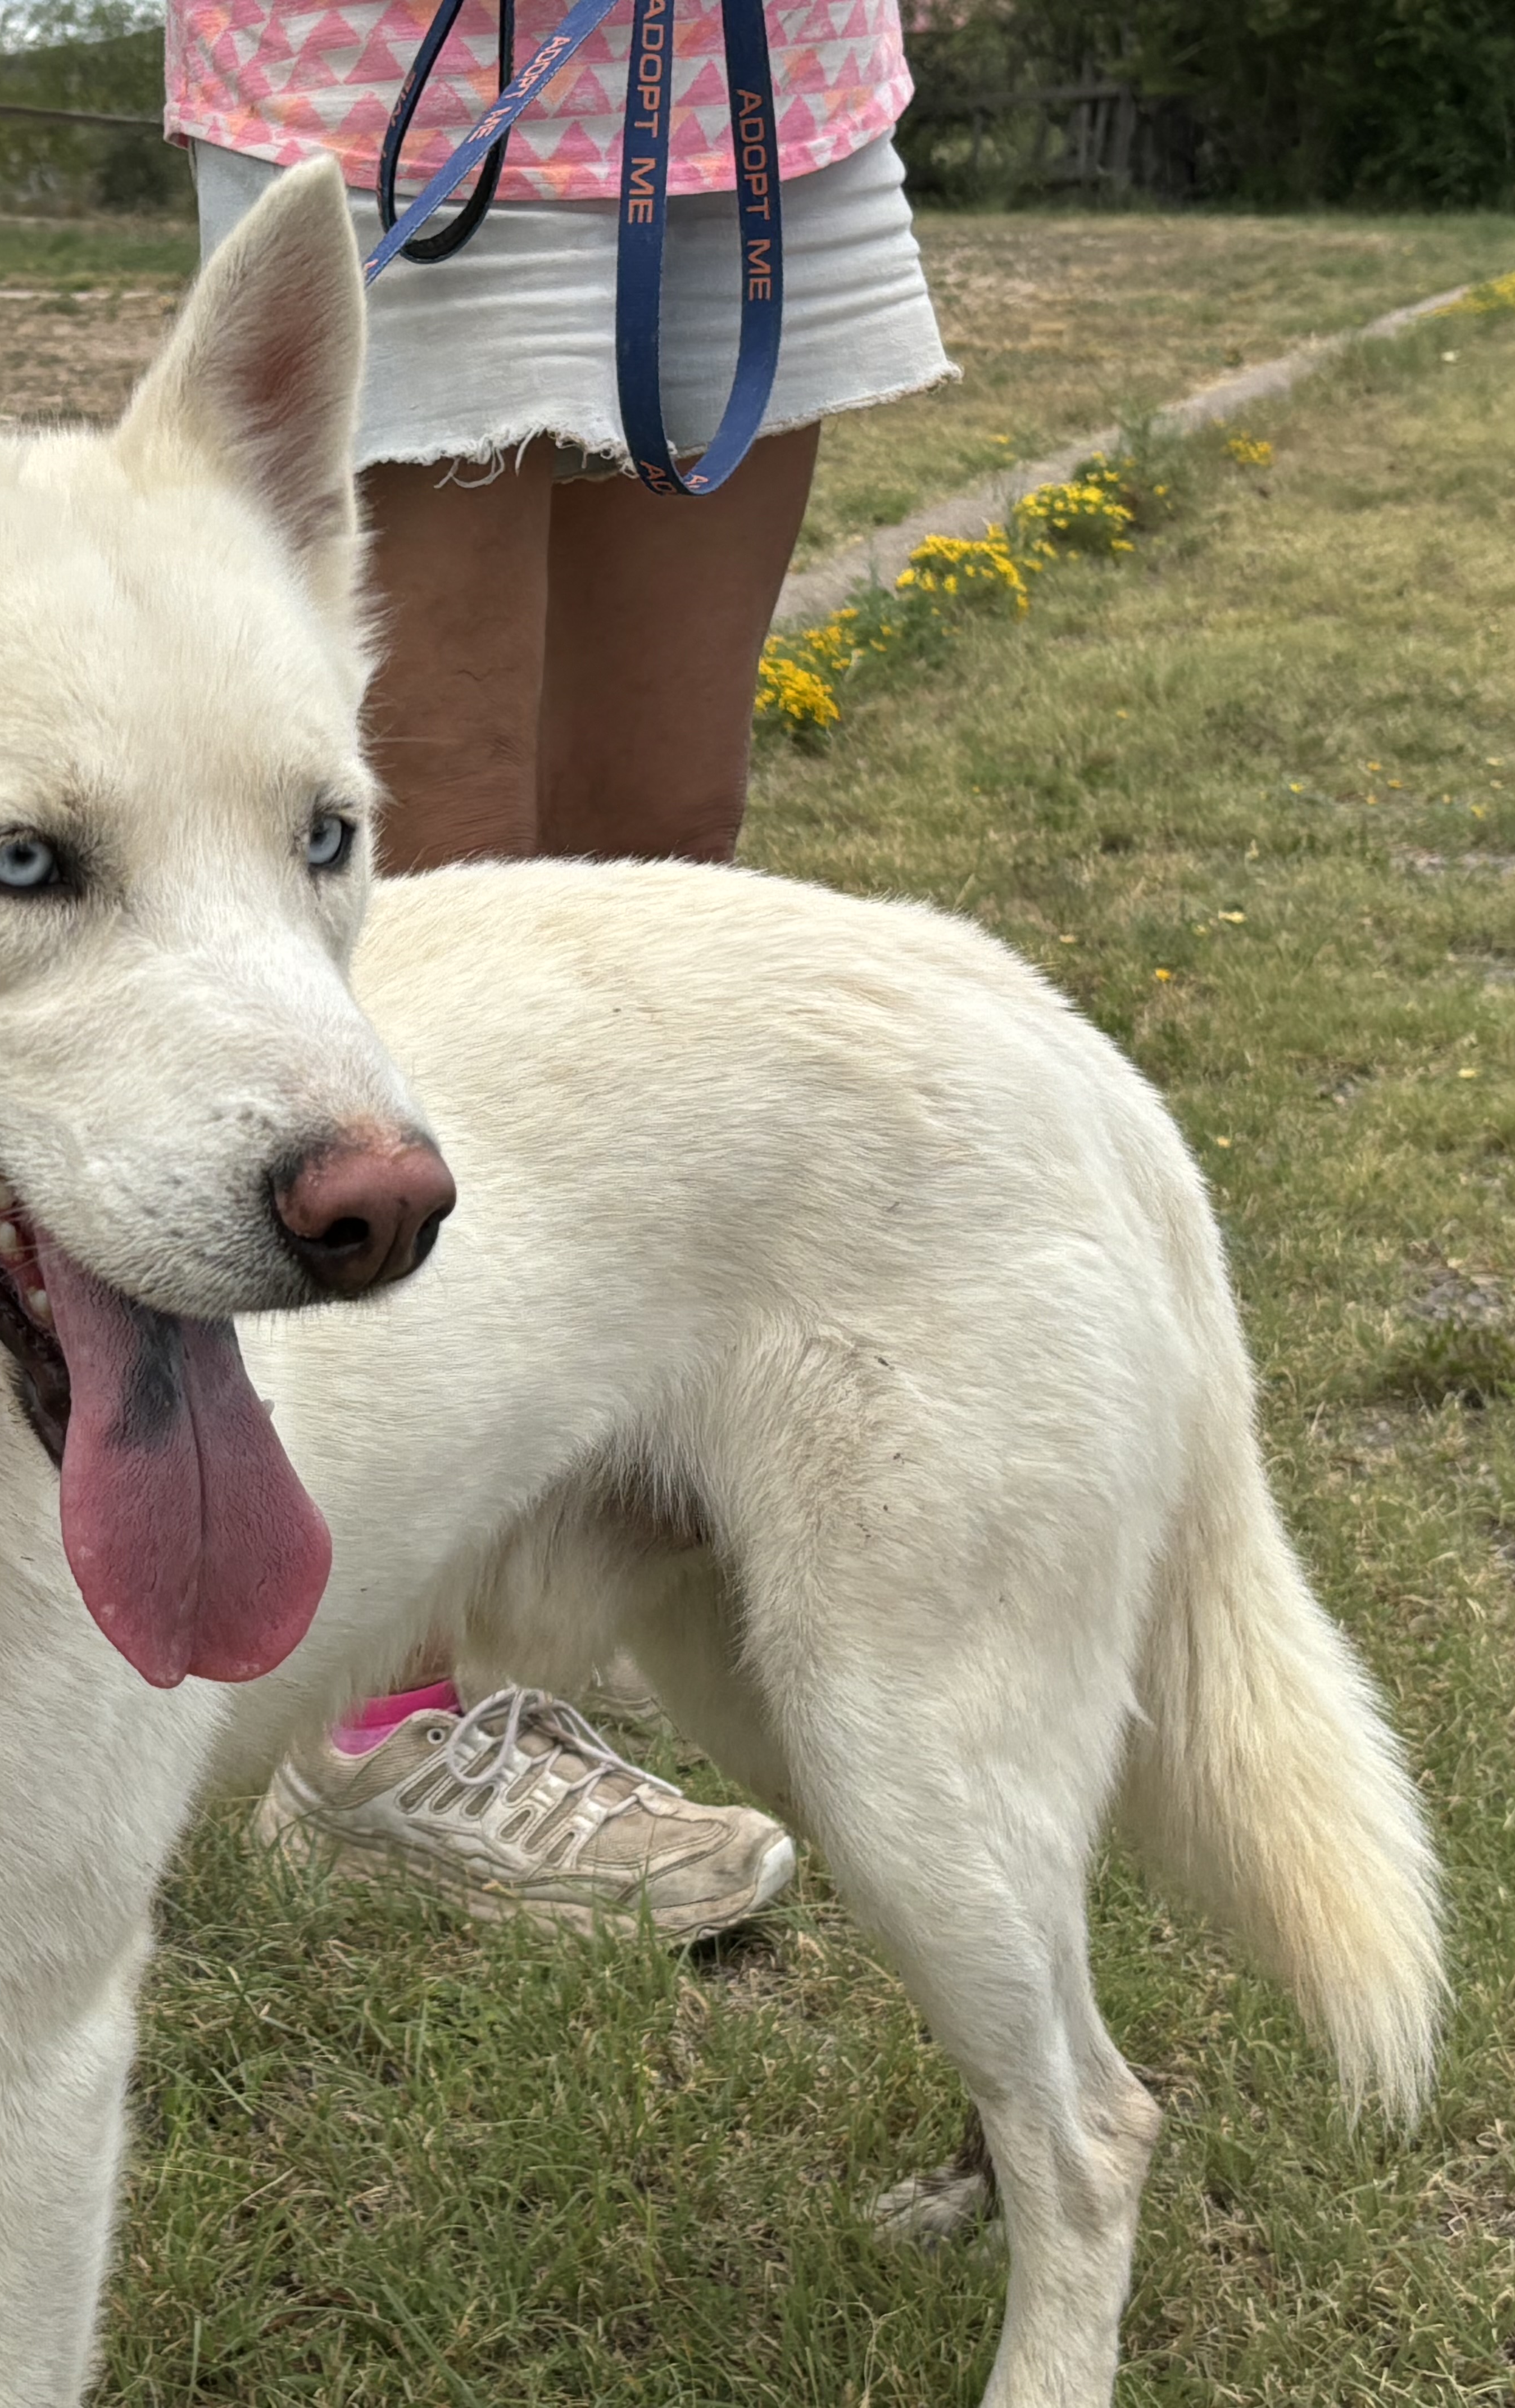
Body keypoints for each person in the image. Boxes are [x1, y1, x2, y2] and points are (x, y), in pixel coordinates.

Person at [173, 0, 955, 1939]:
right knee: (422, 884)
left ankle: (503, 1597)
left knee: (657, 864)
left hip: (756, 78)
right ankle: (385, 1700)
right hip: (403, 64)